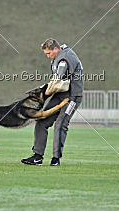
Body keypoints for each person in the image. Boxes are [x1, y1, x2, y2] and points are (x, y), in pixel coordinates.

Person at [21, 38, 84, 166]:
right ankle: (37, 156)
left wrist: (44, 92)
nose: (48, 56)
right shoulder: (57, 57)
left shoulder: (65, 57)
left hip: (72, 96)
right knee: (41, 122)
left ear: (56, 48)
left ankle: (56, 159)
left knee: (60, 125)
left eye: (49, 53)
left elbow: (58, 78)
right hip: (60, 95)